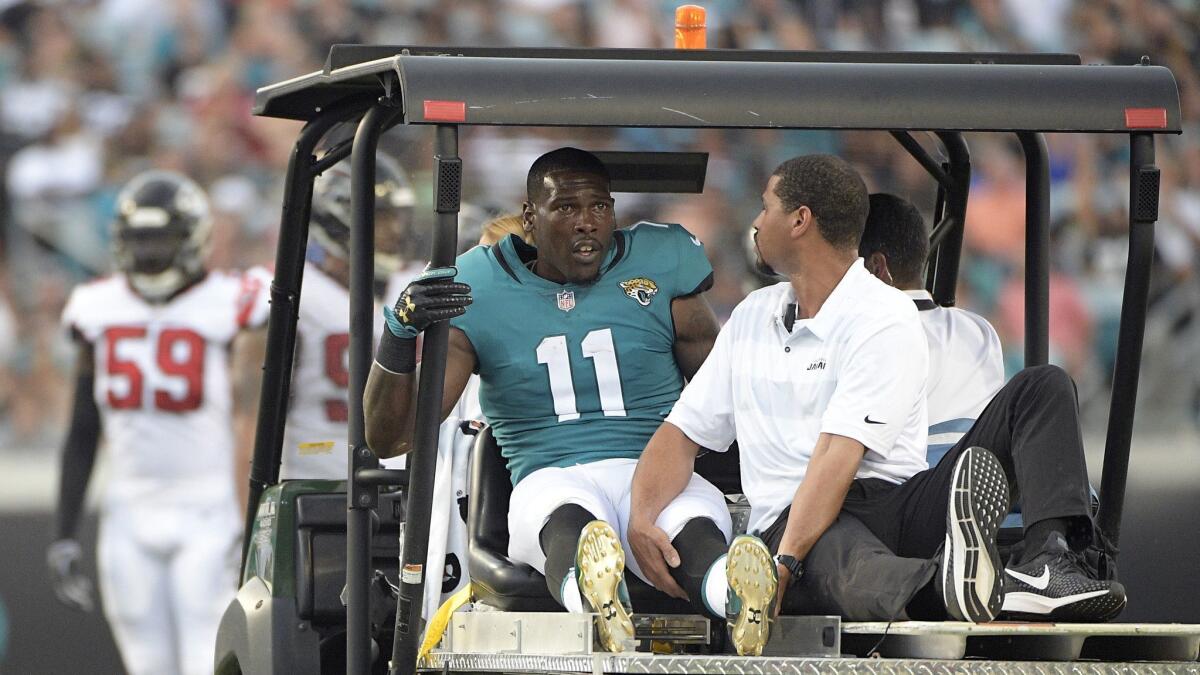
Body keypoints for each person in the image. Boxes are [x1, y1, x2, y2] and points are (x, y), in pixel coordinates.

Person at [630, 155, 1012, 656]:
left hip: (882, 505)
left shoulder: (883, 315)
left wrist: (784, 565)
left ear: (799, 220)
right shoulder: (751, 316)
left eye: (766, 207)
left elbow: (836, 456)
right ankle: (959, 584)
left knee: (829, 553)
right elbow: (681, 435)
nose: (756, 222)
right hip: (800, 520)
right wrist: (640, 518)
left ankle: (1011, 575)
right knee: (829, 547)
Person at [363, 147, 731, 652]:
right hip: (550, 471)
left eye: (599, 207)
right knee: (565, 520)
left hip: (658, 468)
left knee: (693, 524)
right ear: (531, 219)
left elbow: (723, 394)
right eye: (566, 208)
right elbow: (395, 436)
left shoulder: (660, 263)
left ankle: (730, 589)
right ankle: (598, 599)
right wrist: (399, 337)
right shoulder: (478, 284)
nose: (587, 224)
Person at [858, 193, 1125, 621]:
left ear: (875, 267)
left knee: (1045, 382)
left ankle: (1047, 563)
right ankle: (1053, 549)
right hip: (935, 497)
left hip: (918, 501)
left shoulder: (856, 333)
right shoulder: (974, 330)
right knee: (1045, 385)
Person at [46, 170, 271, 675]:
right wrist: (64, 529)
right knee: (145, 666)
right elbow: (83, 430)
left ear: (193, 238)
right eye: (139, 240)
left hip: (209, 511)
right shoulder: (96, 306)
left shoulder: (230, 301)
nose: (148, 254)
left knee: (203, 661)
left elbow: (255, 414)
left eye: (160, 240)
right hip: (128, 513)